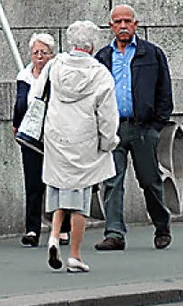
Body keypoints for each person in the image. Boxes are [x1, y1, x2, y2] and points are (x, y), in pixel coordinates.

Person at [41, 21, 119, 273]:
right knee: (80, 199)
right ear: (93, 45)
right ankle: (74, 255)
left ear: (70, 42)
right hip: (84, 140)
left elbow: (36, 94)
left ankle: (54, 236)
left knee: (60, 188)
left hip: (56, 137)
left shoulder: (55, 65)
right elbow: (108, 116)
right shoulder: (100, 74)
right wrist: (108, 142)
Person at [94, 3, 173, 251]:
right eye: (118, 22)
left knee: (149, 180)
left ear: (136, 25)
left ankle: (162, 226)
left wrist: (155, 126)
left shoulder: (152, 53)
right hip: (112, 128)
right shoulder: (103, 57)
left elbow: (164, 91)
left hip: (142, 128)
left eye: (127, 21)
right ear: (111, 27)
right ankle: (114, 233)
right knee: (112, 181)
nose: (123, 26)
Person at [13, 32, 70, 248]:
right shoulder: (24, 76)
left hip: (55, 135)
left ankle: (63, 229)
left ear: (51, 54)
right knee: (33, 183)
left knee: (58, 182)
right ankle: (32, 229)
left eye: (44, 52)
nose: (39, 56)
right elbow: (19, 103)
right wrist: (16, 125)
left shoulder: (57, 74)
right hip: (31, 135)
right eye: (36, 52)